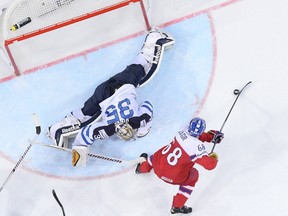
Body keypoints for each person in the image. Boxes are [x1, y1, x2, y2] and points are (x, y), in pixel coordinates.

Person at [46, 28, 175, 166]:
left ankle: (154, 37)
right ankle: (56, 129)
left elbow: (147, 105)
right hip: (101, 95)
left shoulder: (138, 119)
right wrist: (78, 152)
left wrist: (142, 125)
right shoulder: (108, 129)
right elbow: (87, 133)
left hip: (121, 84)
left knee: (143, 65)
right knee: (85, 114)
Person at [134, 117, 224, 214]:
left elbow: (194, 136)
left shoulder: (183, 129)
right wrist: (213, 158)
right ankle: (177, 206)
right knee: (193, 176)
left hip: (158, 164)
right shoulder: (196, 147)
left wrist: (210, 137)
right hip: (172, 177)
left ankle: (141, 168)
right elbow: (210, 165)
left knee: (158, 155)